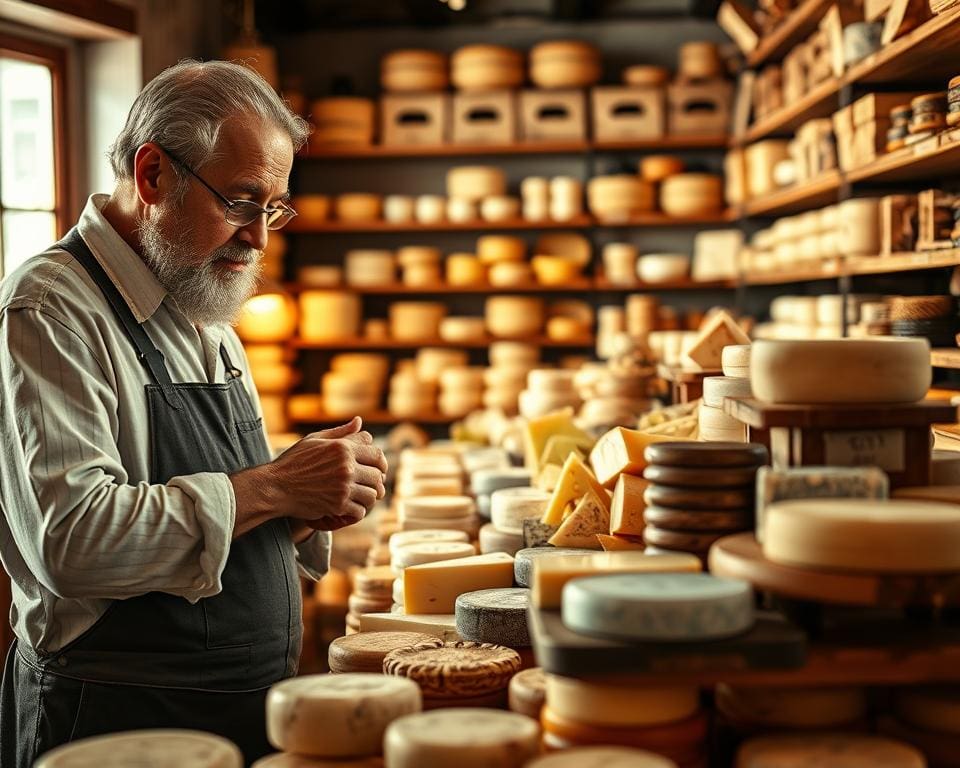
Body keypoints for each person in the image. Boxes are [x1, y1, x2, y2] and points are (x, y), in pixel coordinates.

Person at [0, 59, 387, 766]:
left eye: (274, 209)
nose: (261, 238)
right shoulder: (52, 308)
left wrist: (302, 506)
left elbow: (224, 507)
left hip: (235, 707)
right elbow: (73, 542)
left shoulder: (200, 299)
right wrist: (273, 487)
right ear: (153, 175)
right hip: (120, 718)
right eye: (241, 203)